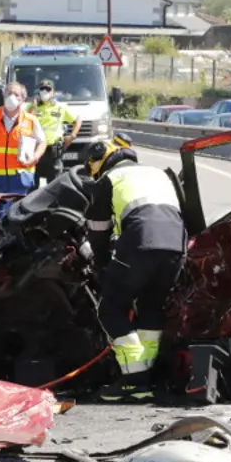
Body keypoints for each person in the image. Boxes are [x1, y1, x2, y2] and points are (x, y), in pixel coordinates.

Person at [83, 138, 187, 402]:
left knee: (110, 309)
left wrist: (102, 262)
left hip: (140, 246)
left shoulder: (108, 180)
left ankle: (133, 381)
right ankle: (146, 377)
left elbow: (98, 230)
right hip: (177, 247)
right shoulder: (160, 173)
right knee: (152, 308)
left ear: (100, 162)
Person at [31, 78, 80, 189]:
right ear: (38, 91)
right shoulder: (33, 107)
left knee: (54, 187)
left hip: (52, 151)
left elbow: (78, 119)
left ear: (53, 92)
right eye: (42, 89)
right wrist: (33, 106)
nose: (45, 92)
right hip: (36, 150)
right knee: (32, 186)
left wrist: (72, 136)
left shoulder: (60, 107)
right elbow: (25, 120)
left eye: (48, 89)